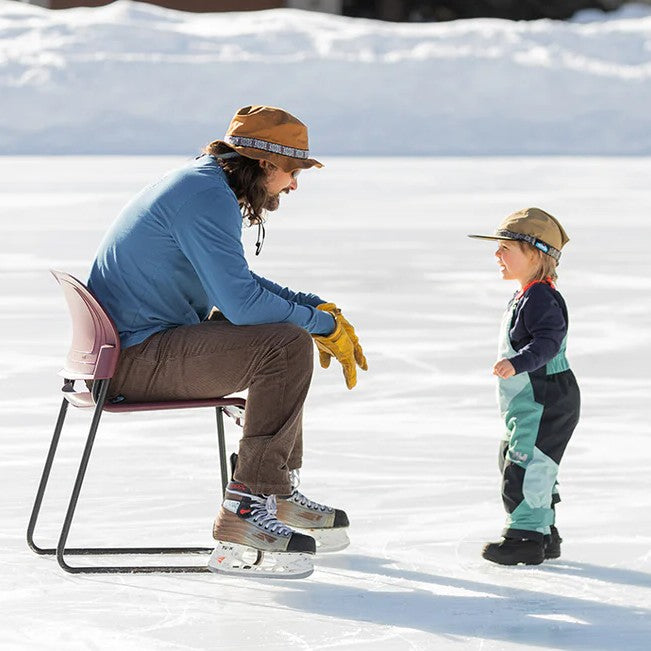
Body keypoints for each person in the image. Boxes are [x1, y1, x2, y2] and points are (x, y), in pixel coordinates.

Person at [87, 105, 367, 579]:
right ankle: (246, 509)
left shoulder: (200, 185)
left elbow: (233, 284)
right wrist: (318, 325)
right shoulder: (204, 196)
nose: (294, 184)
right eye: (293, 171)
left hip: (133, 349)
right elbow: (242, 305)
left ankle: (274, 493)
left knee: (286, 334)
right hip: (133, 361)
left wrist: (311, 305)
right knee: (285, 345)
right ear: (264, 164)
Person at [468, 208, 580, 566]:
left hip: (543, 397)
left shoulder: (541, 299)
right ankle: (544, 532)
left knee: (525, 464)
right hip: (531, 400)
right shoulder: (528, 294)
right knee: (525, 459)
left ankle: (525, 538)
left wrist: (518, 362)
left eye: (505, 248)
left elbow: (548, 342)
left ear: (535, 254)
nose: (496, 255)